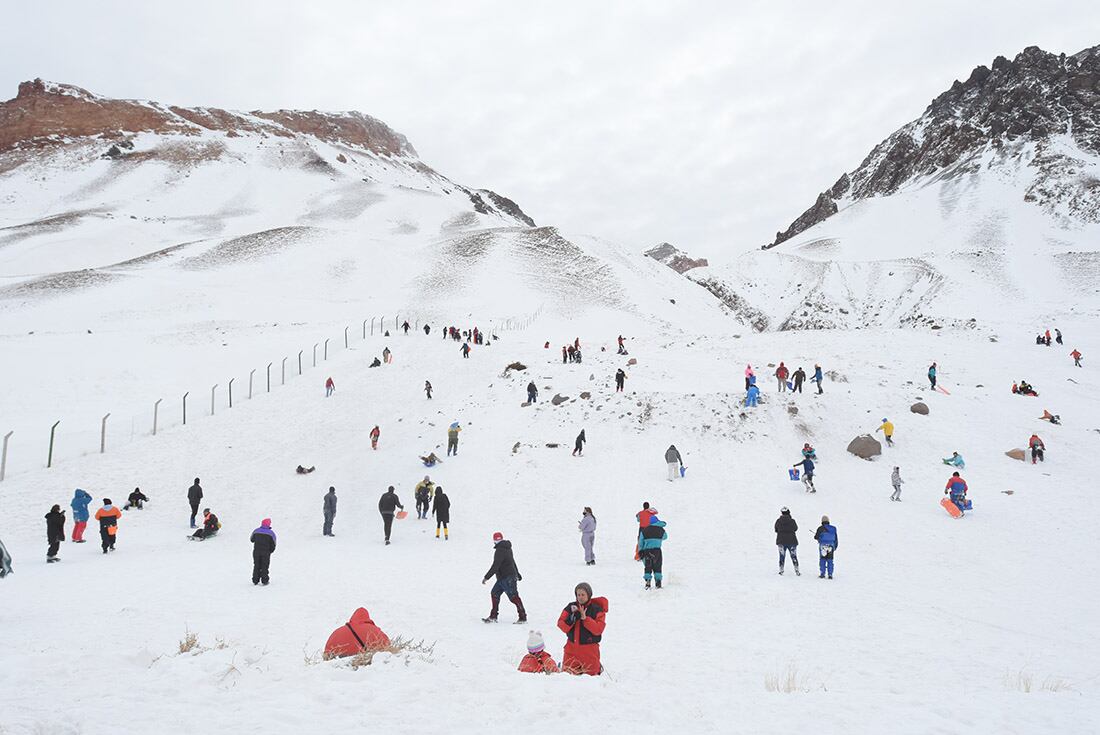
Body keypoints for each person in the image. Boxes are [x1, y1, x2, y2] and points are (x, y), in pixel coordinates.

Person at [557, 582, 608, 675]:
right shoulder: (571, 607)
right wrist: (571, 620)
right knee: (567, 676)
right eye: (578, 594)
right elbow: (561, 624)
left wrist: (585, 619)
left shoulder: (597, 610)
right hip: (571, 648)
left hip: (589, 650)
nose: (580, 597)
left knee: (592, 676)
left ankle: (598, 667)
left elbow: (598, 630)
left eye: (583, 594)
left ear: (589, 595)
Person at [482, 532, 527, 623]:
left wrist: (486, 577)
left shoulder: (500, 550)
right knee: (494, 593)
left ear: (494, 540)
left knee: (514, 597)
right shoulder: (507, 548)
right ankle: (493, 616)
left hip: (507, 578)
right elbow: (512, 562)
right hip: (503, 578)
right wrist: (517, 574)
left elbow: (496, 565)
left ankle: (523, 617)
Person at [638, 515, 667, 589]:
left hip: (647, 551)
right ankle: (658, 582)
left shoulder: (645, 530)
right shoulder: (661, 530)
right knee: (658, 566)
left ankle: (648, 582)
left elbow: (640, 542)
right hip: (657, 551)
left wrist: (640, 551)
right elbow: (665, 537)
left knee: (648, 566)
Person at [250, 518, 276, 585]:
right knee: (265, 566)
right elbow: (273, 544)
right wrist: (271, 551)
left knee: (256, 565)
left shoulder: (256, 531)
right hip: (266, 553)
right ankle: (264, 580)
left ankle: (255, 580)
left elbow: (252, 539)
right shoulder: (271, 533)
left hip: (256, 552)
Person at [774, 507, 799, 576]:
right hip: (792, 541)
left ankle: (781, 570)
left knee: (782, 556)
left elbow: (776, 529)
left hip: (781, 541)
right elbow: (795, 528)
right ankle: (796, 569)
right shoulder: (792, 521)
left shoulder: (778, 521)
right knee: (793, 556)